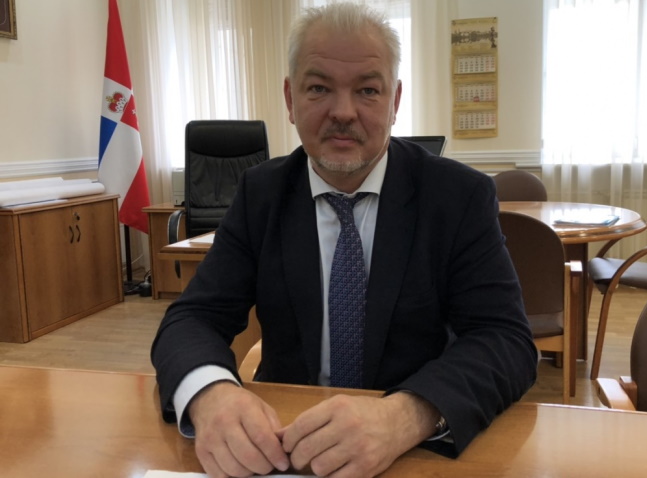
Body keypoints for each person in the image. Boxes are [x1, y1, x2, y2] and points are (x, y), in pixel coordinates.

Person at [151, 3, 537, 478]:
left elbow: (505, 339)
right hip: (284, 448)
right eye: (319, 88)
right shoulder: (261, 194)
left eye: (368, 90)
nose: (343, 112)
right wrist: (210, 394)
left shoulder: (457, 196)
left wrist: (407, 414)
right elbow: (192, 319)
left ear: (395, 101)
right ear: (290, 98)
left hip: (412, 453)